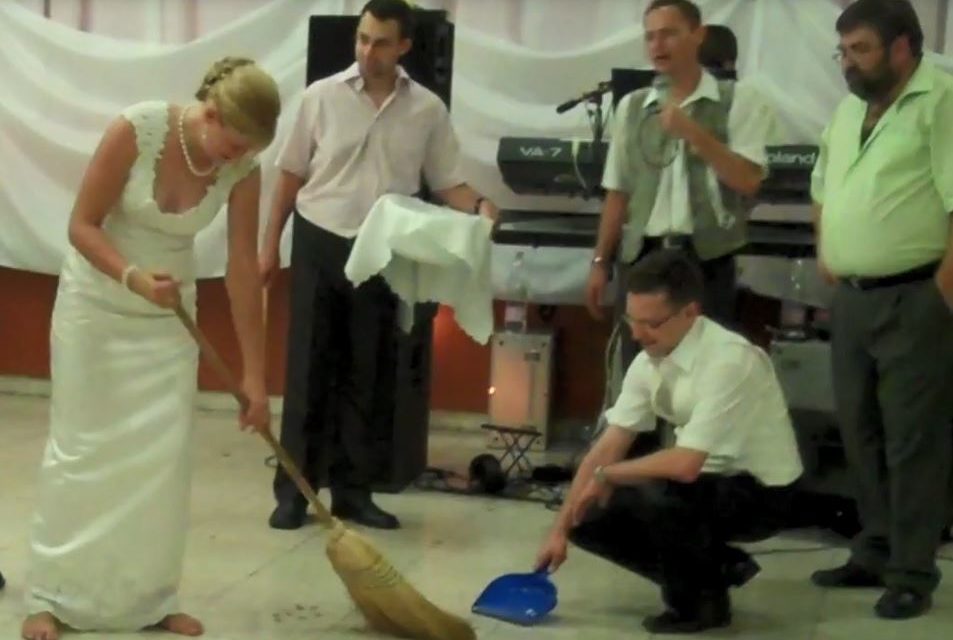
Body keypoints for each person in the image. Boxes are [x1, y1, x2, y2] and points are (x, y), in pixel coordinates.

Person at [20, 57, 279, 640]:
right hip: (98, 304)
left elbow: (242, 269)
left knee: (160, 462)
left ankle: (149, 598)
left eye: (246, 152)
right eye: (231, 146)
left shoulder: (244, 170)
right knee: (81, 448)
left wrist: (256, 378)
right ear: (209, 114)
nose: (234, 161)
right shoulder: (136, 130)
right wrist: (132, 276)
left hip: (169, 320)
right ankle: (51, 596)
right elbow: (81, 225)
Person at [260, 0, 498, 532]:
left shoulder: (428, 110)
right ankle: (294, 493)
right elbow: (290, 176)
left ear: (404, 47)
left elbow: (446, 182)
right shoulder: (319, 97)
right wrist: (268, 245)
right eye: (363, 39)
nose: (369, 51)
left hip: (384, 249)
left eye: (381, 42)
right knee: (309, 369)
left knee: (367, 372)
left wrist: (480, 206)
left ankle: (353, 491)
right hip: (321, 237)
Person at [537, 250, 803, 634]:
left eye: (652, 323)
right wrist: (559, 532)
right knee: (587, 514)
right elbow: (607, 446)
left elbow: (684, 464)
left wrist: (609, 473)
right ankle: (716, 569)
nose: (638, 334)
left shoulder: (729, 360)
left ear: (690, 313)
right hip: (704, 480)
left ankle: (699, 606)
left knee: (657, 490)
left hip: (763, 492)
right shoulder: (648, 360)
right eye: (632, 320)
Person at [809, 0, 953, 620]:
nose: (848, 64)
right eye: (842, 52)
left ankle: (912, 572)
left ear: (903, 48)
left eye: (860, 50)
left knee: (911, 443)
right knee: (859, 434)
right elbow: (821, 185)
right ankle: (871, 549)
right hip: (854, 299)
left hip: (914, 295)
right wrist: (826, 248)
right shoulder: (847, 111)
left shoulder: (941, 100)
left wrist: (943, 291)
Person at [586, 0, 776, 371]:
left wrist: (695, 134)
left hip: (705, 259)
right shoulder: (633, 107)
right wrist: (598, 262)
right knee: (637, 375)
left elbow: (749, 181)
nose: (658, 46)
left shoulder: (739, 101)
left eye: (669, 34)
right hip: (643, 257)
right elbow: (618, 191)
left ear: (698, 36)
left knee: (705, 376)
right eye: (650, 37)